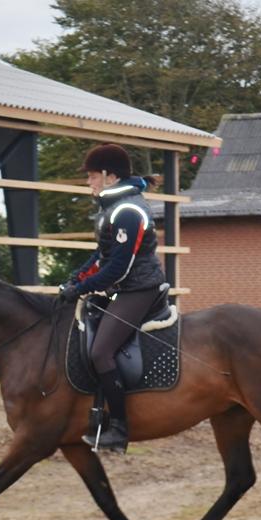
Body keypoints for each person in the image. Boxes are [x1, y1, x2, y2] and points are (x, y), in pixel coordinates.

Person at [59, 143, 167, 453]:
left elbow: (119, 267)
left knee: (100, 351)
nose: (88, 182)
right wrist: (76, 279)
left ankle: (119, 428)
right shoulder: (112, 208)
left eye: (92, 176)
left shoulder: (128, 211)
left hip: (140, 289)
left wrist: (82, 288)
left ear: (110, 176)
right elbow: (101, 256)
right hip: (126, 286)